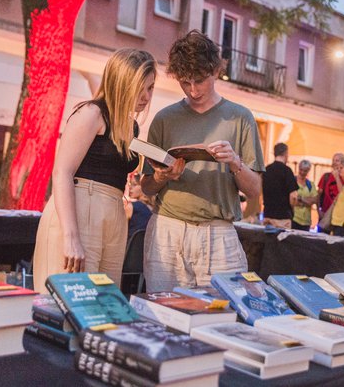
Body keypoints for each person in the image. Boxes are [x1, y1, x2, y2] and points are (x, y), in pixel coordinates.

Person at [140, 30, 265, 292]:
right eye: (185, 82)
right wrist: (162, 177)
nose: (193, 90)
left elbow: (253, 190)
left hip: (219, 234)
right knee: (164, 315)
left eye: (199, 80)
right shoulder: (164, 119)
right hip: (167, 229)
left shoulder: (241, 118)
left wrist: (235, 162)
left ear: (216, 71)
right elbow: (146, 187)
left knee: (221, 316)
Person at [32, 49, 156, 293]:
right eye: (140, 88)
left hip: (114, 214)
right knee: (68, 302)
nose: (145, 96)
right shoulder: (92, 113)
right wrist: (71, 236)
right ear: (121, 84)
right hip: (79, 209)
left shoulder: (130, 126)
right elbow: (62, 173)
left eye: (150, 88)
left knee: (103, 303)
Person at [262, 143, 299, 229]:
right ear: (286, 153)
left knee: (268, 242)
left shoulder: (266, 170)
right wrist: (292, 208)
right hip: (283, 218)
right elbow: (293, 196)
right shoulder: (287, 171)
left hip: (267, 216)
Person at [317, 152, 344, 231]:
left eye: (337, 160)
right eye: (333, 160)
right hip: (325, 214)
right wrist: (319, 211)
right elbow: (318, 195)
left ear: (343, 163)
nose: (334, 163)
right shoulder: (326, 176)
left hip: (339, 217)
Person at [123, 172, 153, 237]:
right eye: (130, 184)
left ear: (143, 187)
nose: (130, 187)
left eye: (134, 184)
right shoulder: (153, 210)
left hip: (128, 245)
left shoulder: (131, 207)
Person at [292, 159, 318, 231]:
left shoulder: (310, 185)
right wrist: (307, 200)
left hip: (306, 221)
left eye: (305, 170)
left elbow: (314, 200)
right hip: (294, 218)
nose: (302, 172)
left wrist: (300, 198)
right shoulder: (292, 181)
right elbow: (293, 200)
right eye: (301, 170)